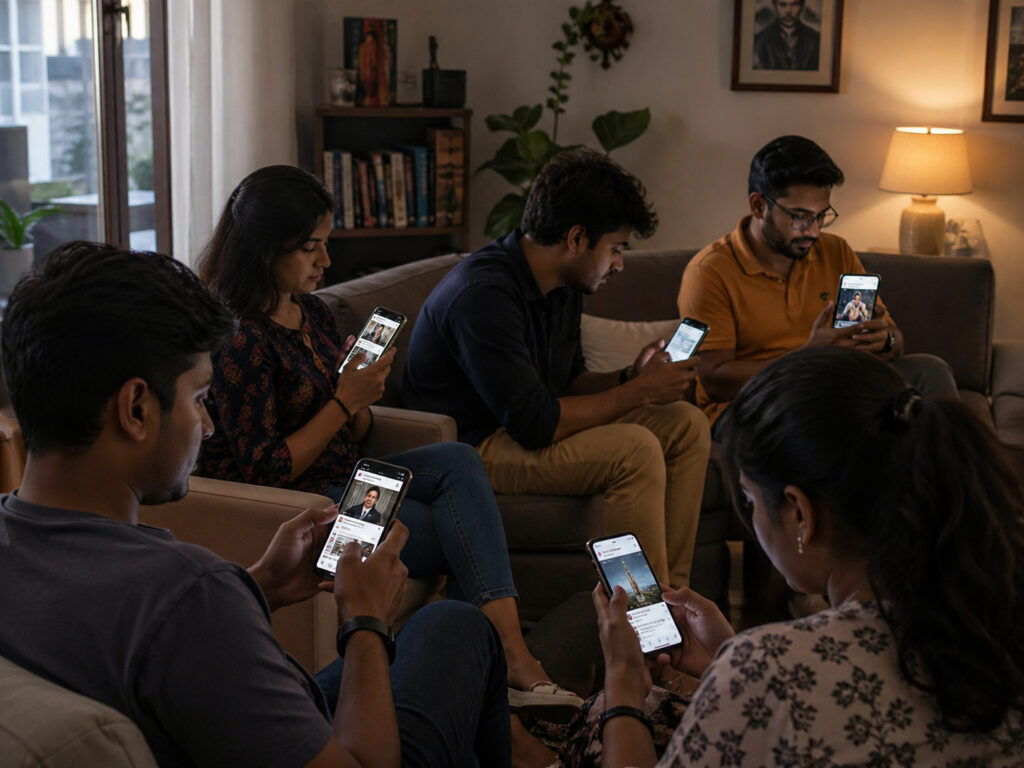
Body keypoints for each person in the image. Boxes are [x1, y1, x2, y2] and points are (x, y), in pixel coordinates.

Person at [0, 241, 512, 767]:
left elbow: (144, 650)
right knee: (452, 626)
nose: (208, 425)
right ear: (135, 409)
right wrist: (365, 621)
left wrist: (262, 583)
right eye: (199, 399)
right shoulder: (189, 593)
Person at [197, 164, 581, 727]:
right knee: (455, 524)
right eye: (310, 248)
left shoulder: (313, 312)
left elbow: (357, 434)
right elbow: (267, 470)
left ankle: (504, 659)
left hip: (349, 478)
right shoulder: (241, 340)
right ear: (262, 249)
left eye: (326, 245)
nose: (326, 262)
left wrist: (361, 392)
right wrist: (342, 401)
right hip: (306, 508)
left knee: (457, 458)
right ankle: (510, 663)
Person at [578, 346, 1024, 767]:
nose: (752, 518)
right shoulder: (994, 624)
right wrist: (729, 664)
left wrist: (621, 681)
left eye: (751, 501)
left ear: (800, 513)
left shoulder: (771, 670)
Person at [403, 148, 711, 589]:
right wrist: (639, 393)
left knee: (685, 423)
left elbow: (571, 384)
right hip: (472, 447)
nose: (620, 263)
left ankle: (673, 600)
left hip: (524, 426)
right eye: (616, 248)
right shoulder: (483, 296)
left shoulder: (563, 284)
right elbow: (536, 424)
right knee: (635, 448)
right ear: (576, 238)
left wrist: (632, 378)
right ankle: (643, 624)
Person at [678, 135, 958, 433]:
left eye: (821, 216)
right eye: (799, 217)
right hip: (753, 403)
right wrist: (808, 356)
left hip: (834, 387)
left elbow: (895, 340)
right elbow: (715, 381)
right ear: (759, 206)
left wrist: (884, 340)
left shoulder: (836, 251)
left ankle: (955, 478)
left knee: (930, 370)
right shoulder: (709, 272)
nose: (812, 231)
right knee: (831, 419)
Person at [753, 0, 820, 71]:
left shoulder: (816, 39)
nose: (788, 11)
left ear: (802, 6)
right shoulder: (759, 40)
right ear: (774, 6)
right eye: (783, 5)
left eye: (795, 4)